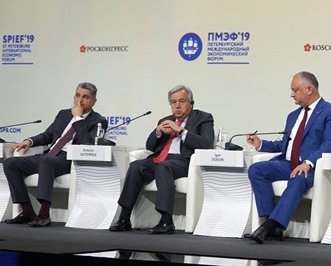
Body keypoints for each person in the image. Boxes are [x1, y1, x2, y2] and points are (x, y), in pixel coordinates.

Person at [244, 71, 331, 243]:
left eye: (295, 90)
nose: (292, 94)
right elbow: (285, 145)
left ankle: (268, 226)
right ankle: (272, 225)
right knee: (256, 169)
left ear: (309, 89)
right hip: (286, 163)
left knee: (298, 178)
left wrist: (308, 162)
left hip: (311, 167)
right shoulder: (293, 116)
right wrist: (261, 144)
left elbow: (330, 144)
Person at [109, 85, 214, 234]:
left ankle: (166, 221)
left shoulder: (203, 118)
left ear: (191, 103)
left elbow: (206, 144)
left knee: (164, 167)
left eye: (182, 101)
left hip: (184, 161)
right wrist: (158, 132)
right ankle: (124, 218)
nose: (177, 106)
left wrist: (182, 132)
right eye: (173, 102)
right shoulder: (165, 120)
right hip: (159, 159)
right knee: (136, 166)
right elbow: (150, 147)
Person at [3, 82, 108, 227]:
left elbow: (88, 144)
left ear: (94, 101)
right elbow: (48, 135)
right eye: (77, 96)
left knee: (46, 161)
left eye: (85, 97)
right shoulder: (63, 114)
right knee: (10, 163)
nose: (80, 101)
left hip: (70, 160)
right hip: (49, 156)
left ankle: (44, 214)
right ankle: (27, 210)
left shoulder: (99, 121)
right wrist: (30, 141)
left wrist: (78, 119)